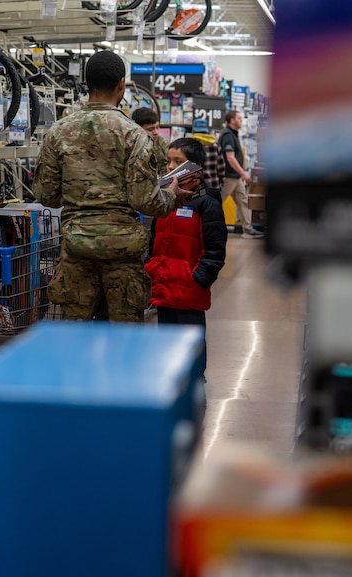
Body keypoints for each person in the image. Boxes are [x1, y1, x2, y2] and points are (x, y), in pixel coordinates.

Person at [33, 50, 194, 323]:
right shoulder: (134, 135)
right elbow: (145, 200)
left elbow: (46, 195)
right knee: (123, 343)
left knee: (75, 339)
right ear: (121, 84)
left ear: (87, 83)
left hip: (77, 249)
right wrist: (171, 196)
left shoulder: (58, 132)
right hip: (123, 254)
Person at [145, 138, 227, 374]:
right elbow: (155, 242)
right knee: (167, 343)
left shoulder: (206, 204)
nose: (170, 167)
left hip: (188, 288)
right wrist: (153, 267)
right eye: (168, 161)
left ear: (195, 166)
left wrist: (197, 279)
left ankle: (194, 384)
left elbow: (215, 251)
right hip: (164, 284)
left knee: (191, 344)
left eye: (177, 161)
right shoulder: (164, 200)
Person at [219, 110, 264, 238]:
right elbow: (230, 158)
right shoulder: (228, 135)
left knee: (243, 201)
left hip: (235, 177)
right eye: (239, 118)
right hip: (229, 176)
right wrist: (243, 173)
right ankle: (203, 226)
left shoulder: (232, 134)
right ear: (232, 120)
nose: (241, 120)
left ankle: (248, 230)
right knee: (216, 203)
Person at [131, 107, 169, 175]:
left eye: (157, 127)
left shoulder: (161, 142)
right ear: (138, 129)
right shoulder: (131, 145)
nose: (156, 132)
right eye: (150, 129)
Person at [190, 118, 225, 190]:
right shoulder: (215, 145)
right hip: (213, 185)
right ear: (206, 131)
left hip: (193, 186)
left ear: (193, 131)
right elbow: (221, 168)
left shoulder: (189, 145)